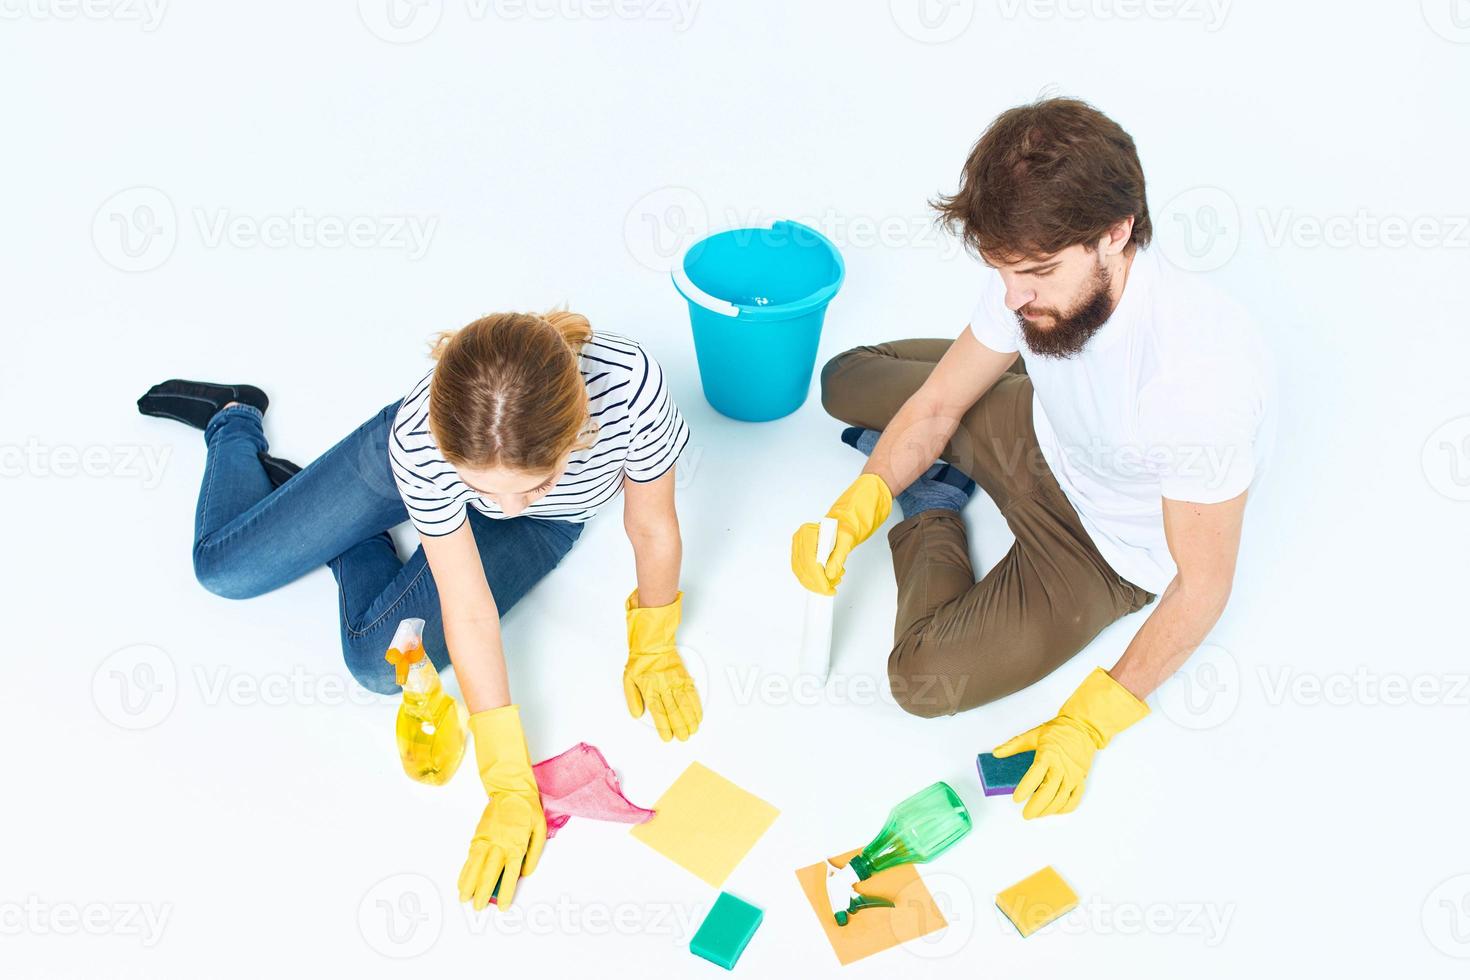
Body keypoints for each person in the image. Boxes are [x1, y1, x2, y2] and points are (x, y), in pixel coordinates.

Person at [791, 97, 1274, 820]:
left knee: (923, 682)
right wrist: (860, 499)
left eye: (1038, 272)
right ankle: (939, 459)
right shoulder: (1031, 284)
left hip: (1099, 549)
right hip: (1038, 434)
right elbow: (933, 406)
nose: (1013, 299)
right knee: (843, 381)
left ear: (1116, 234)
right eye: (1000, 270)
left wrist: (1092, 720)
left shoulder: (1196, 380)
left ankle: (935, 502)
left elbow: (1202, 587)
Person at [137, 310, 702, 908]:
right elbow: (469, 609)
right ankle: (233, 420)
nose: (504, 506)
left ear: (576, 433)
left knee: (379, 666)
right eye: (485, 489)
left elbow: (652, 527)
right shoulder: (421, 439)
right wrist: (508, 782)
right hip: (411, 468)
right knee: (222, 570)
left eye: (534, 482)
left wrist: (654, 641)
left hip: (546, 528)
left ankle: (355, 539)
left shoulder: (628, 387)